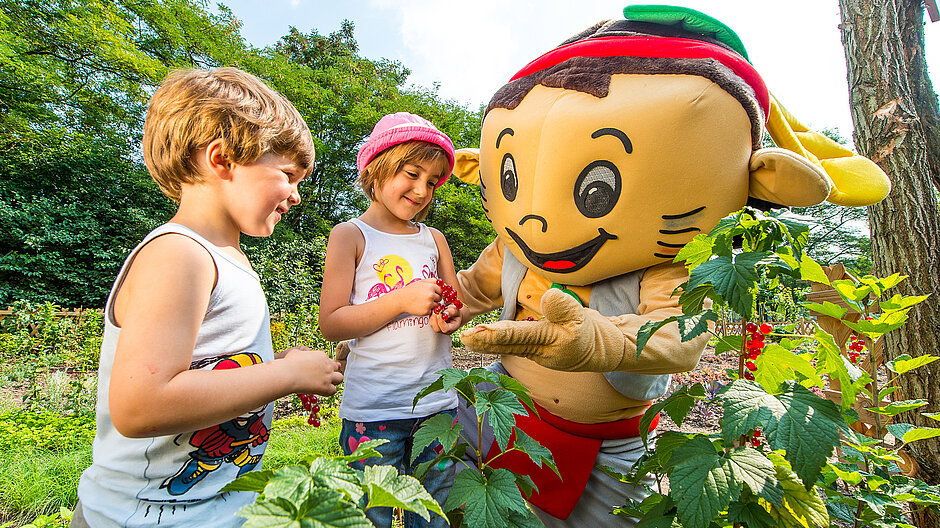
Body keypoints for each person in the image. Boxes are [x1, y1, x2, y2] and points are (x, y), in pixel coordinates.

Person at [72, 67, 344, 528]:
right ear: (222, 160)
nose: (296, 196)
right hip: (142, 517)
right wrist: (283, 375)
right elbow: (141, 406)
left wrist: (278, 366)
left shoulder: (227, 257)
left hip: (209, 509)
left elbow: (214, 365)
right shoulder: (179, 254)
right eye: (288, 174)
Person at [318, 112, 462, 528]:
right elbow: (333, 322)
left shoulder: (434, 239)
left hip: (436, 405)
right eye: (412, 174)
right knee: (371, 513)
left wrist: (450, 316)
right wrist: (400, 300)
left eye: (432, 182)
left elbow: (457, 302)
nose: (421, 190)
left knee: (433, 513)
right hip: (374, 408)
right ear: (376, 170)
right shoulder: (350, 236)